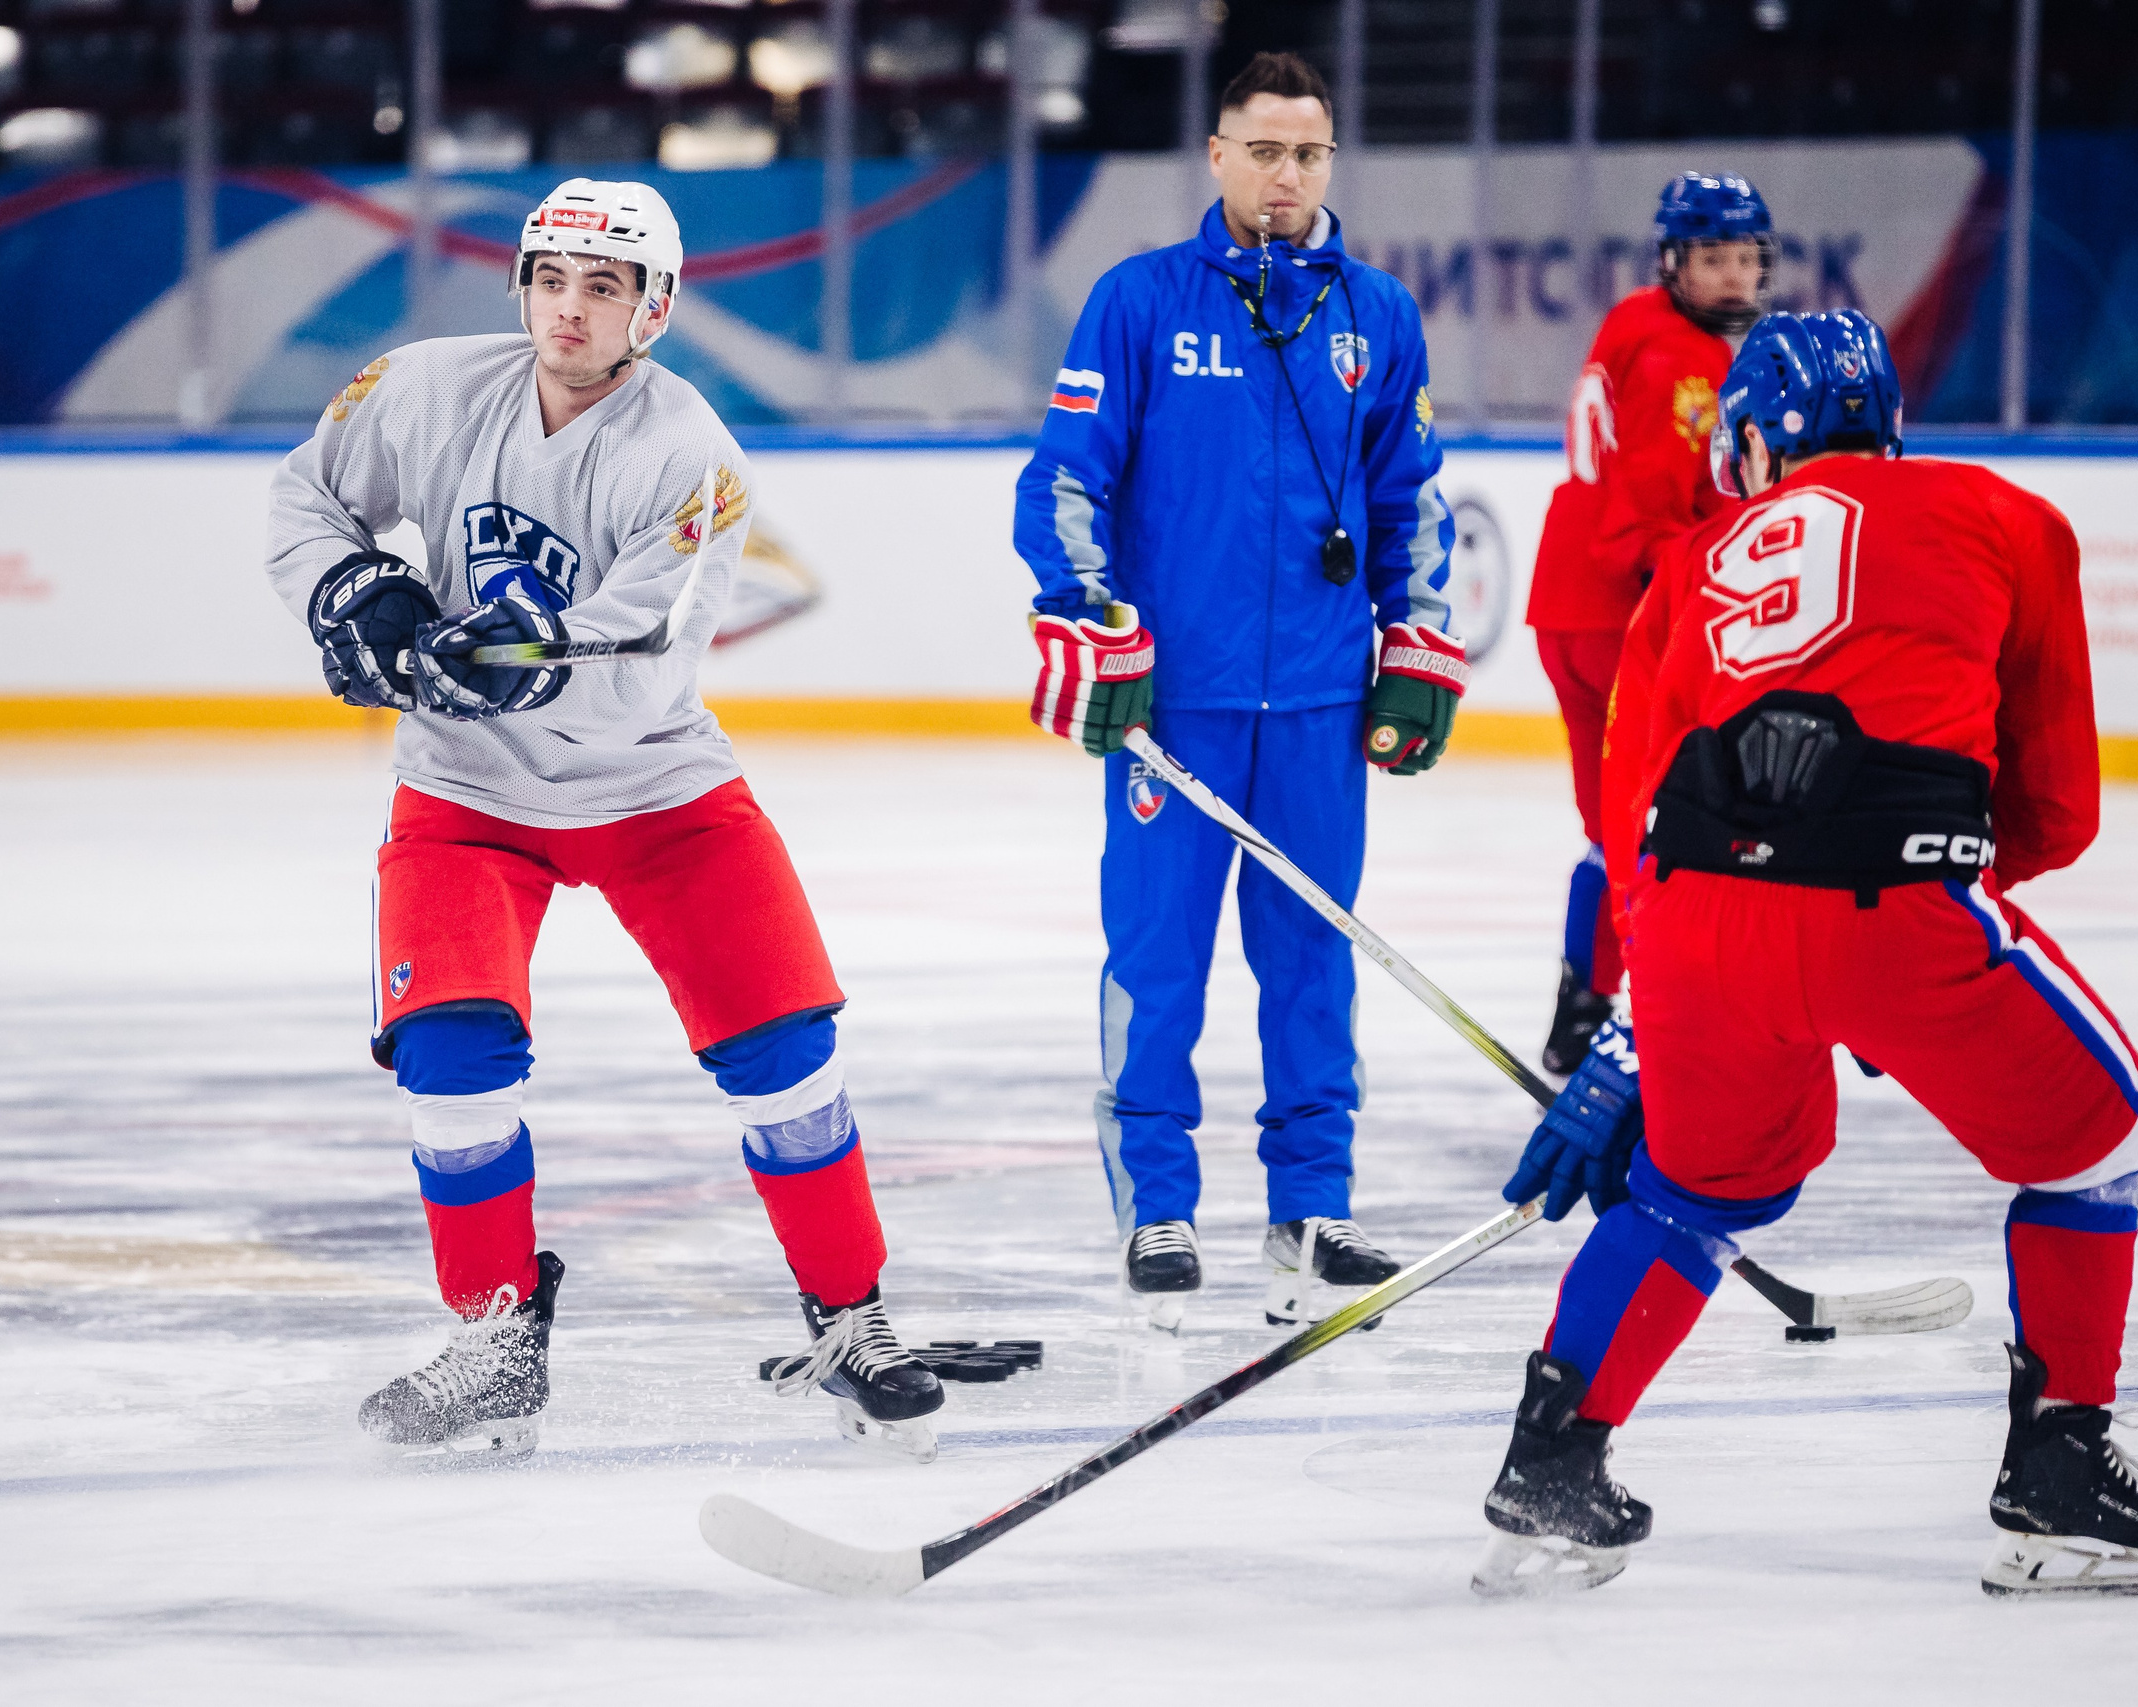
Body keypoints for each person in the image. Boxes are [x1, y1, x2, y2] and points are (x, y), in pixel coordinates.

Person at [1480, 310, 2138, 1599]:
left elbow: (1636, 832)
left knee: (1695, 1191)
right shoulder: (2007, 519)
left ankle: (1551, 1465)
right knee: (2100, 1136)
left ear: (1756, 441)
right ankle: (2056, 1472)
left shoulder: (1692, 565)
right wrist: (1903, 955)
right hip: (1899, 906)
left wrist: (1631, 1036)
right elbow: (2056, 808)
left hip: (1702, 936)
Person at [265, 178, 945, 1463]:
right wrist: (352, 591)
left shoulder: (691, 456)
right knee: (451, 1066)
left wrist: (518, 652)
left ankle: (849, 1317)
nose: (569, 310)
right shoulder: (420, 387)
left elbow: (644, 650)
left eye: (604, 286)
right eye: (551, 278)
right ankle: (493, 1344)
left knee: (786, 1058)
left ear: (656, 309)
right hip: (466, 795)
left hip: (656, 790)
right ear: (520, 281)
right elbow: (306, 499)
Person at [1012, 52, 1463, 1332]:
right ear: (1217, 156)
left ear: (1331, 164)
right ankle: (1157, 1202)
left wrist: (1416, 646)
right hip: (1176, 708)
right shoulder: (1140, 300)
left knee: (1312, 961)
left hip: (1319, 704)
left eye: (1308, 154)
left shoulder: (1376, 313)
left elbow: (1408, 499)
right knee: (1159, 962)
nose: (1286, 175)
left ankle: (1310, 1202)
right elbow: (1064, 480)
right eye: (1263, 150)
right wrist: (1095, 619)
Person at [1526, 173, 1774, 1076]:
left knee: (1614, 823)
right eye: (1713, 259)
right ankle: (1605, 1012)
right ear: (1673, 261)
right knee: (1644, 826)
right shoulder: (1686, 364)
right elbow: (1647, 522)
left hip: (1571, 600)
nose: (1734, 277)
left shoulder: (1637, 319)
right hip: (1620, 617)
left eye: (1746, 257)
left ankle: (1583, 1005)